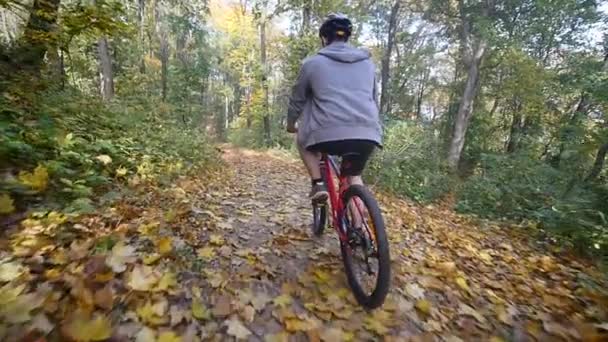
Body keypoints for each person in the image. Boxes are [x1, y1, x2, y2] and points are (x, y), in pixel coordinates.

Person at [286, 13, 382, 203]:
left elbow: (297, 100)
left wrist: (291, 124)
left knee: (302, 141)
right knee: (353, 178)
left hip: (326, 135)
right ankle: (358, 227)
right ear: (347, 37)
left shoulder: (311, 64)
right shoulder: (368, 64)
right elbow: (374, 99)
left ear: (324, 38)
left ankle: (318, 184)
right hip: (368, 134)